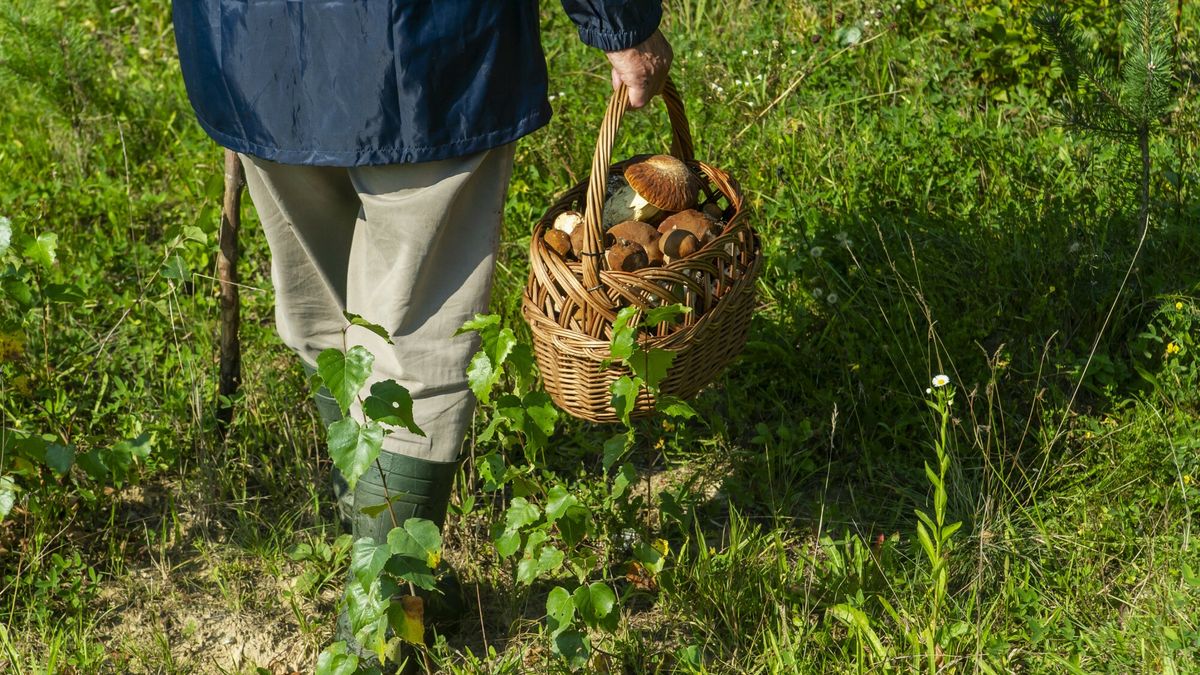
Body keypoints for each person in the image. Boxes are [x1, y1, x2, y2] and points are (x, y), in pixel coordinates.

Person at [171, 0, 673, 658]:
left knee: (328, 307)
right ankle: (383, 627)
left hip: (245, 40)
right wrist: (621, 24)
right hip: (423, 49)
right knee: (416, 336)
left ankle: (391, 560)